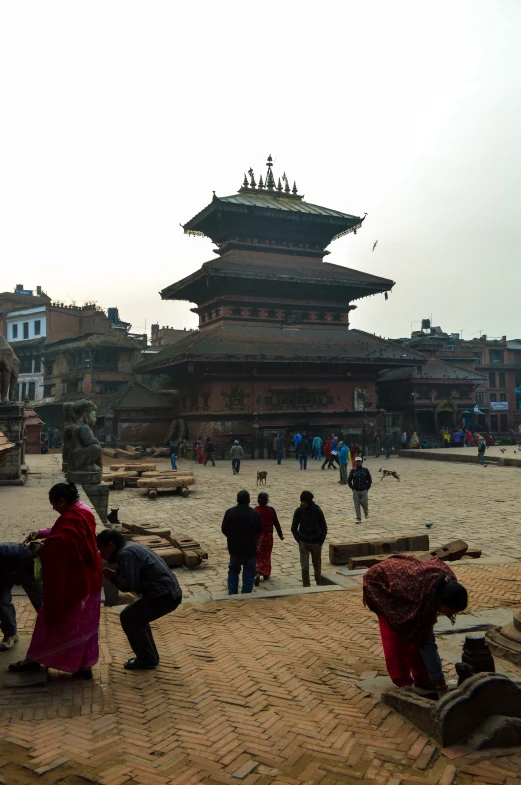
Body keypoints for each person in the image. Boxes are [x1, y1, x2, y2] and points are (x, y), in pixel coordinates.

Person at [10, 483, 102, 679]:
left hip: (75, 581)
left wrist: (41, 549)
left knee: (51, 617)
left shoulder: (72, 518)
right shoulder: (83, 511)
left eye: (54, 504)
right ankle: (84, 666)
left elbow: (62, 544)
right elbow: (65, 534)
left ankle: (34, 659)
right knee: (85, 624)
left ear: (62, 501)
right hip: (91, 577)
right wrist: (43, 533)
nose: (53, 508)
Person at [363, 555, 468, 697]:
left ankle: (422, 676)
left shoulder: (448, 582)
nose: (450, 615)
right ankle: (402, 682)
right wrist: (441, 684)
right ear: (440, 602)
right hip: (382, 586)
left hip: (405, 582)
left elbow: (423, 637)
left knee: (418, 634)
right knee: (396, 638)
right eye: (449, 612)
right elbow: (428, 642)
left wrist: (437, 679)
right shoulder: (421, 598)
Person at [97, 529, 182, 670]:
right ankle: (149, 657)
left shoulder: (126, 553)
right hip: (168, 593)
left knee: (129, 617)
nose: (102, 556)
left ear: (110, 545)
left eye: (101, 550)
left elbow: (129, 584)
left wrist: (113, 577)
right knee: (137, 616)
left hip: (164, 595)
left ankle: (146, 659)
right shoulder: (131, 546)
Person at [0, 542, 43, 651]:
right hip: (6, 574)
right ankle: (11, 634)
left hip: (28, 568)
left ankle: (55, 634)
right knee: (2, 602)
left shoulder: (19, 554)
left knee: (43, 603)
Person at [222, 490, 262, 594]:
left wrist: (232, 537)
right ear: (249, 500)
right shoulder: (255, 514)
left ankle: (232, 593)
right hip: (250, 549)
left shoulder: (230, 512)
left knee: (233, 571)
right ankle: (246, 596)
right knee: (249, 574)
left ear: (237, 499)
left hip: (234, 548)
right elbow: (259, 530)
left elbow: (224, 529)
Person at [291, 491, 327, 587]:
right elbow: (293, 527)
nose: (303, 504)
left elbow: (323, 526)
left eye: (305, 502)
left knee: (317, 567)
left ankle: (319, 584)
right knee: (305, 568)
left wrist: (321, 540)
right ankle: (306, 587)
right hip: (304, 542)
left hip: (316, 543)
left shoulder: (317, 510)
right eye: (302, 501)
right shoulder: (298, 511)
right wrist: (298, 539)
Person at [254, 492, 283, 585]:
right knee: (266, 555)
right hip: (268, 536)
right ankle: (266, 573)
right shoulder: (271, 510)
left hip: (258, 537)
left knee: (258, 555)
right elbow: (276, 523)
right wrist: (280, 534)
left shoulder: (255, 510)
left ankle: (257, 572)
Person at [348, 456, 372, 524]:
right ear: (355, 462)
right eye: (357, 461)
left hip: (364, 490)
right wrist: (352, 487)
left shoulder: (365, 470)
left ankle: (366, 512)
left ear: (362, 462)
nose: (358, 463)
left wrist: (367, 487)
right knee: (357, 504)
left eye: (359, 461)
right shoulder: (353, 471)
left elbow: (369, 480)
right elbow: (349, 480)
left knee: (364, 503)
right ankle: (358, 518)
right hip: (356, 490)